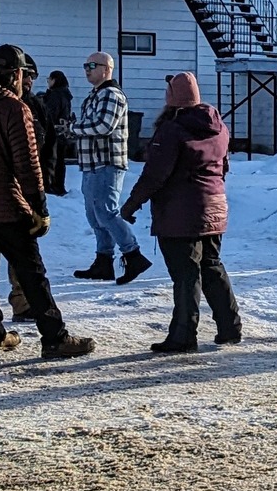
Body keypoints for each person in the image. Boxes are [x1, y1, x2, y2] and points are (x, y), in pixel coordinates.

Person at [0, 43, 93, 361]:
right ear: (17, 74)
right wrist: (40, 208)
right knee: (32, 272)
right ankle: (54, 337)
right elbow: (27, 164)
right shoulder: (14, 109)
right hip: (6, 204)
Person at [125, 73, 242, 354]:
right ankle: (230, 327)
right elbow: (223, 167)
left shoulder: (172, 130)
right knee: (211, 265)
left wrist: (131, 204)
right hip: (215, 205)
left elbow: (155, 175)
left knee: (186, 274)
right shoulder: (219, 127)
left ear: (172, 97)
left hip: (181, 213)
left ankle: (183, 336)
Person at [66, 52, 153, 284]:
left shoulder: (111, 95)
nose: (87, 69)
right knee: (95, 216)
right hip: (92, 164)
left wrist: (74, 128)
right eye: (85, 65)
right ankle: (103, 262)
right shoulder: (95, 95)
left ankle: (133, 255)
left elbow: (103, 125)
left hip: (107, 163)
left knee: (107, 212)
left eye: (92, 65)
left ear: (106, 69)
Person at [40, 70, 74, 197]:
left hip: (53, 133)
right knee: (60, 162)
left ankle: (51, 186)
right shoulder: (65, 94)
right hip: (62, 134)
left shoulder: (55, 95)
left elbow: (49, 114)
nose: (48, 81)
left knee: (52, 160)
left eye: (49, 79)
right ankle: (59, 185)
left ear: (54, 80)